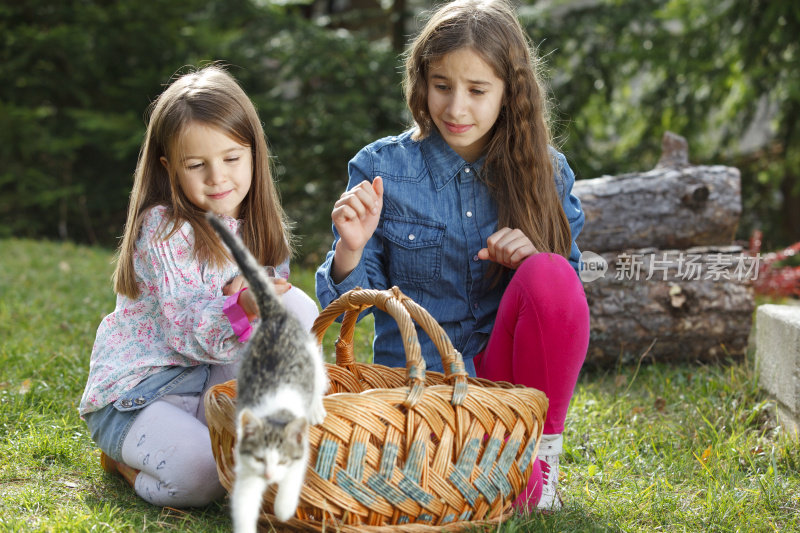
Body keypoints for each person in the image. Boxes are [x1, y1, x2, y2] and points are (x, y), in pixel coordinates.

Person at [315, 0, 589, 512]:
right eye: (442, 86)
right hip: (418, 390)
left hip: (506, 391)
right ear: (422, 83)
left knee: (549, 271)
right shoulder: (382, 169)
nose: (456, 108)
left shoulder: (546, 173)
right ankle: (474, 464)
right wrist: (350, 248)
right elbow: (352, 304)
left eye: (477, 90)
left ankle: (538, 454)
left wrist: (532, 258)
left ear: (510, 93)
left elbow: (565, 302)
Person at [80, 65, 318, 508]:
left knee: (296, 309)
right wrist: (242, 308)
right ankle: (125, 462)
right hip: (142, 394)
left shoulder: (257, 229)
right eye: (197, 165)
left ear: (254, 154)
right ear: (170, 168)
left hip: (209, 386)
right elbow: (188, 331)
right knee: (205, 478)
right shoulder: (164, 230)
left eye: (231, 158)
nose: (217, 177)